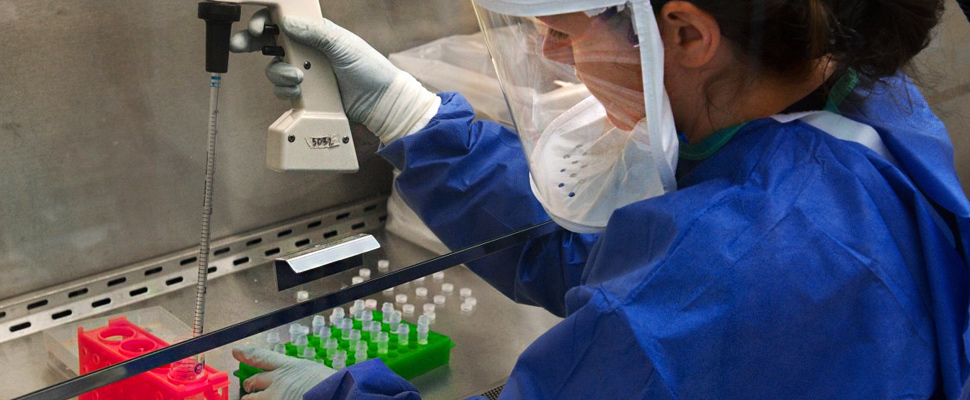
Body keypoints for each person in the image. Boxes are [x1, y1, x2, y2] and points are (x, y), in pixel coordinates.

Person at [229, 0, 970, 398]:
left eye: (560, 31)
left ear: (683, 32)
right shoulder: (856, 105)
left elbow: (668, 293)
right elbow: (618, 251)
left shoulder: (725, 276)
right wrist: (408, 115)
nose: (550, 54)